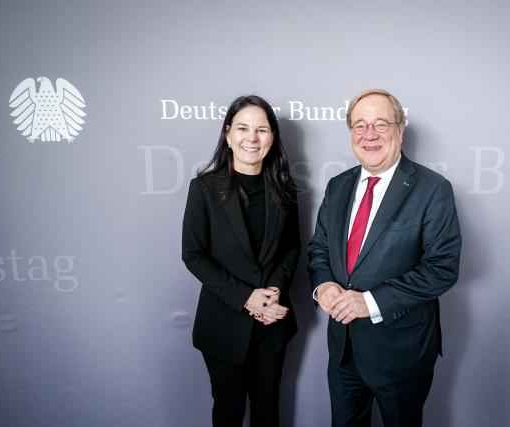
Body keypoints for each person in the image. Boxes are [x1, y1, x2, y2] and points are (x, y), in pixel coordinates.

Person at [308, 88, 462, 426]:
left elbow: (442, 268)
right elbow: (319, 248)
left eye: (381, 124)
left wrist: (370, 302)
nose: (370, 135)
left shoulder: (432, 188)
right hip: (344, 349)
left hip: (401, 353)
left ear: (400, 129)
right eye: (360, 125)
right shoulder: (338, 186)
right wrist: (324, 287)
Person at [182, 95, 300, 427]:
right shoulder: (204, 188)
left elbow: (292, 249)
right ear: (228, 134)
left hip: (271, 325)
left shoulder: (285, 190)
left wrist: (273, 291)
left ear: (272, 138)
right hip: (224, 325)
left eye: (262, 130)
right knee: (228, 413)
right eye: (244, 128)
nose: (252, 138)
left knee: (268, 412)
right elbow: (193, 254)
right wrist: (247, 298)